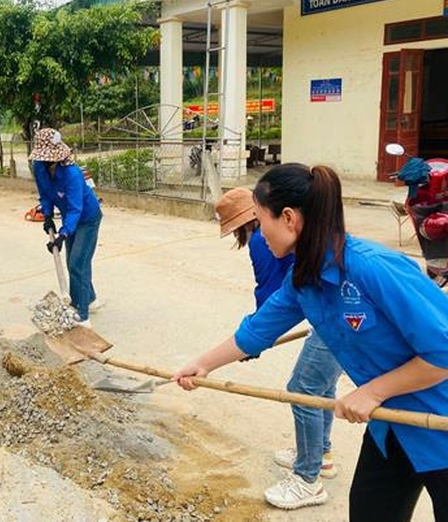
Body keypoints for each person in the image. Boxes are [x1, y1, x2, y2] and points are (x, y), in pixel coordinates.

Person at [175, 164, 448, 520]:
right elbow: (258, 330)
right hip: (391, 426)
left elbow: (442, 352)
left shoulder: (373, 268)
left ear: (288, 218)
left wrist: (372, 392)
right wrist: (203, 364)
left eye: (260, 219)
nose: (259, 234)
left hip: (439, 423)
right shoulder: (302, 277)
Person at [215, 187, 343, 509]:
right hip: (326, 310)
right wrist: (255, 336)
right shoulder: (288, 232)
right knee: (321, 387)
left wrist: (255, 338)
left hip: (334, 318)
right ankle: (320, 454)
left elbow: (271, 290)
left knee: (303, 388)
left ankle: (307, 478)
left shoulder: (260, 239)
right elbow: (283, 290)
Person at [29, 128, 103, 328]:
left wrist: (63, 234)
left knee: (77, 263)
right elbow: (45, 193)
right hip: (70, 219)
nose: (42, 162)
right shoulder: (39, 167)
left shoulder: (72, 174)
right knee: (74, 262)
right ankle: (91, 298)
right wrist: (47, 216)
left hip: (87, 218)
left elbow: (75, 208)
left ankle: (82, 315)